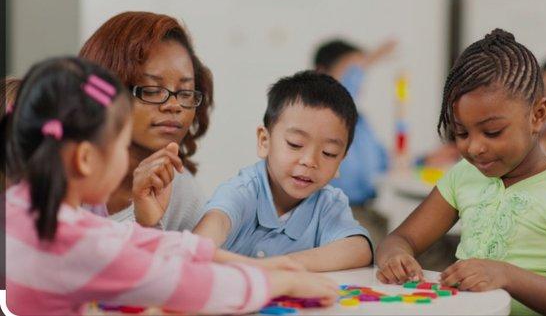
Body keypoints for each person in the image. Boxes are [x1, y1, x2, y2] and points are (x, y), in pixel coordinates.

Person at [3, 57, 339, 315]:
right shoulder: (71, 242)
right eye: (122, 148)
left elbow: (132, 239)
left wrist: (257, 265)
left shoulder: (23, 207)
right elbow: (191, 288)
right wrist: (284, 281)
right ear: (87, 159)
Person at [375, 29, 546, 315]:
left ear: (537, 115)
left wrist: (506, 275)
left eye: (492, 132)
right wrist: (395, 256)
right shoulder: (463, 176)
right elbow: (400, 239)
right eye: (461, 132)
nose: (475, 147)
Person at [195, 71, 373, 272]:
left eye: (329, 153)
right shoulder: (243, 190)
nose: (310, 161)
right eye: (295, 144)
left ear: (341, 161)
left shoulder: (328, 204)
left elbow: (359, 248)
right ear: (264, 141)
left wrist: (280, 265)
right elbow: (204, 239)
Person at [79, 11, 213, 230]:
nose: (174, 105)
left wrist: (150, 225)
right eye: (152, 90)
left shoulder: (184, 196)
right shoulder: (58, 171)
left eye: (186, 92)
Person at [313, 39, 393, 245]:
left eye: (361, 72)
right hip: (337, 215)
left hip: (367, 210)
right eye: (352, 70)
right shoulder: (320, 114)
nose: (358, 77)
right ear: (322, 73)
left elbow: (384, 163)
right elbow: (341, 91)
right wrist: (372, 57)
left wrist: (424, 160)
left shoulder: (361, 122)